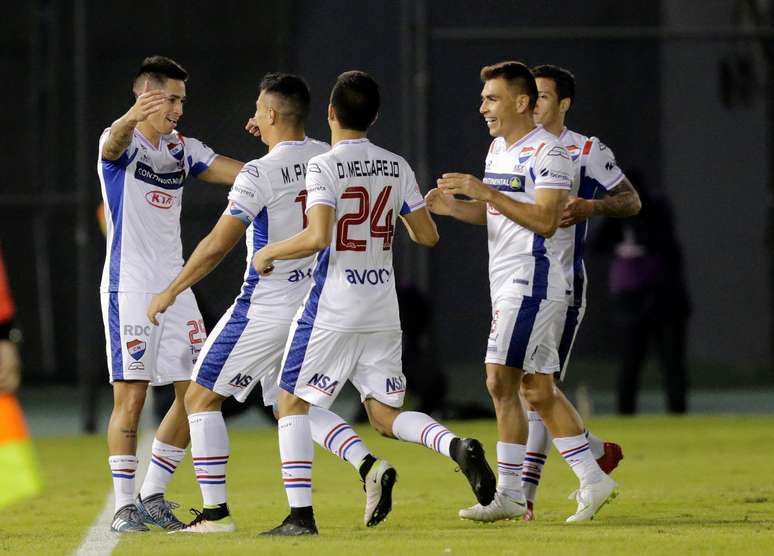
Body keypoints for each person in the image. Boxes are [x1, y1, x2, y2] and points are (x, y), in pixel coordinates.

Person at [147, 73, 398, 533]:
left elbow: (216, 246)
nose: (254, 116)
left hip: (265, 304)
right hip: (317, 304)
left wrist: (171, 290)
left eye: (260, 109)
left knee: (201, 397)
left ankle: (215, 514)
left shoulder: (257, 174)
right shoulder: (327, 154)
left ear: (272, 115)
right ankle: (367, 465)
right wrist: (270, 133)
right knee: (289, 405)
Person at [253, 71, 496, 536]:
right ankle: (455, 446)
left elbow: (318, 235)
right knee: (382, 416)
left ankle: (300, 517)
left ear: (329, 113)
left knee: (289, 404)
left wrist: (269, 251)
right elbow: (427, 235)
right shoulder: (396, 165)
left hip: (333, 304)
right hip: (382, 306)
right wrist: (406, 211)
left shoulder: (324, 164)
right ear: (376, 116)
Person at [425, 61, 617, 523]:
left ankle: (516, 493)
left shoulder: (550, 154)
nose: (483, 107)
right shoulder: (498, 150)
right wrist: (454, 209)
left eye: (492, 98)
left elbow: (547, 221)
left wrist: (484, 194)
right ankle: (589, 478)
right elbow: (500, 216)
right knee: (535, 389)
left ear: (521, 102)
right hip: (509, 283)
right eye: (484, 98)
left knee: (502, 381)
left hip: (534, 282)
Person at [98, 55, 244, 533]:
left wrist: (287, 165)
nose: (180, 109)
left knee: (198, 392)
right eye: (173, 100)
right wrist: (130, 118)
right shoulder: (122, 145)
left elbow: (239, 173)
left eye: (182, 100)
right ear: (148, 96)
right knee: (132, 400)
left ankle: (153, 493)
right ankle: (123, 508)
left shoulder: (182, 149)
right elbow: (112, 142)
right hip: (131, 287)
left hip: (176, 289)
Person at [512, 63, 641, 519]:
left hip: (560, 283)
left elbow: (631, 199)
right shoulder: (511, 147)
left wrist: (592, 205)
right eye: (530, 94)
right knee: (529, 386)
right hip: (516, 281)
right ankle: (592, 452)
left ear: (563, 103)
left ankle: (525, 495)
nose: (533, 102)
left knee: (535, 388)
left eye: (543, 96)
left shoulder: (585, 149)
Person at [592, 172, 690, 415]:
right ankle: (625, 413)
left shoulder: (656, 209)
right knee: (631, 359)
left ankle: (677, 412)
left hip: (665, 298)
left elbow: (666, 244)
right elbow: (596, 243)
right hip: (631, 299)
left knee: (671, 361)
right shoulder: (615, 218)